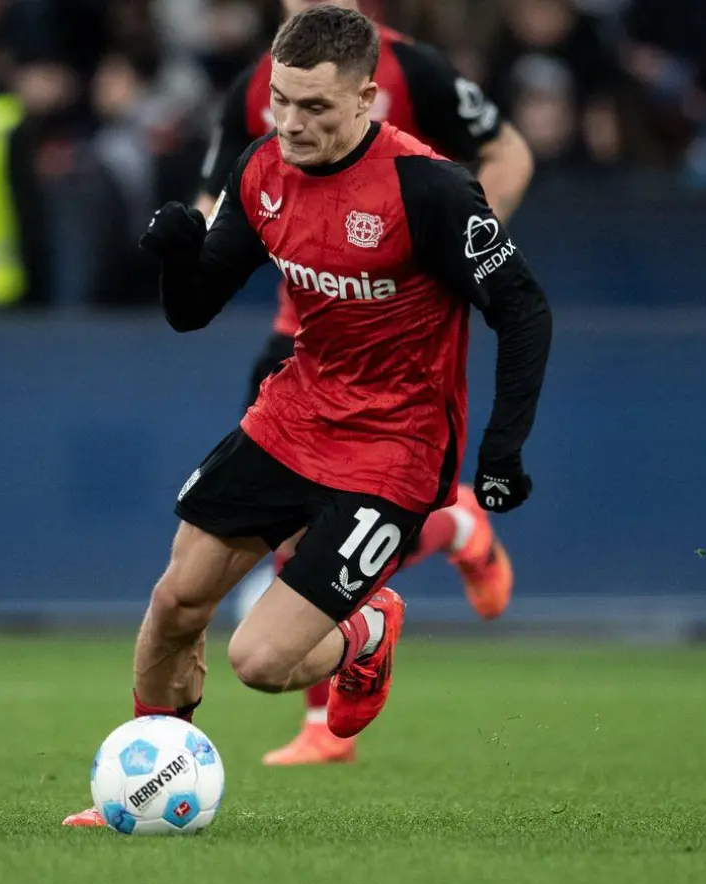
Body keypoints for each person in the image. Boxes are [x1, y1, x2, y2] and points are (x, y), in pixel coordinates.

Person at [65, 5, 552, 828]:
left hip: (394, 451)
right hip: (292, 417)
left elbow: (524, 310)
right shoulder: (262, 167)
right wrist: (180, 255)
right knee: (175, 605)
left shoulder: (428, 190)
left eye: (316, 107)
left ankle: (367, 633)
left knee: (258, 660)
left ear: (367, 99)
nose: (291, 122)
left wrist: (500, 452)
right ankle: (147, 788)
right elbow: (194, 311)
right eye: (283, 101)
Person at [197, 0, 535, 766]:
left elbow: (509, 154)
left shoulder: (414, 69)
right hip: (300, 336)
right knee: (298, 536)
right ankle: (450, 534)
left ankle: (444, 537)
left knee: (347, 520)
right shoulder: (257, 87)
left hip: (395, 336)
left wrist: (455, 265)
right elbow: (214, 198)